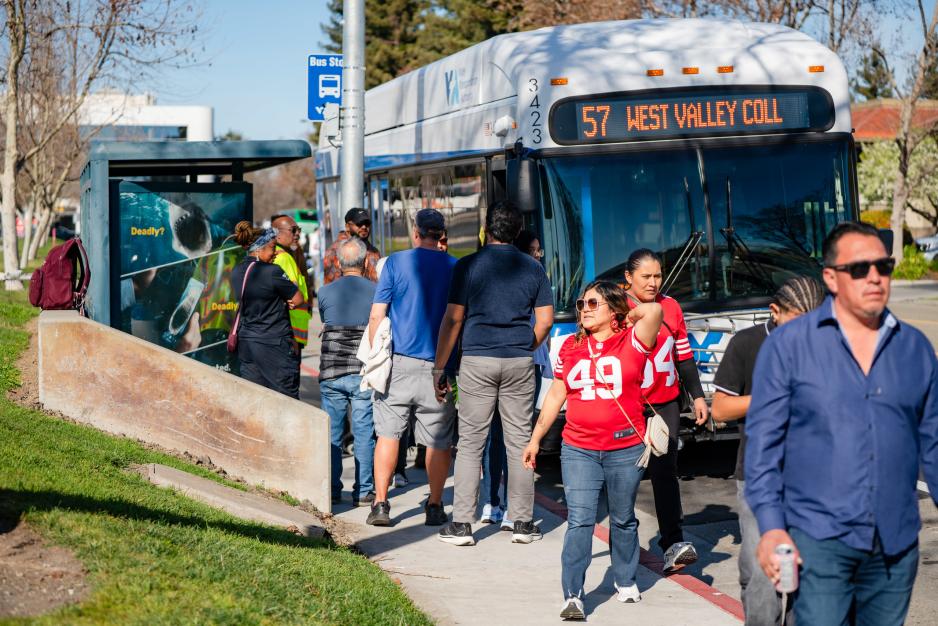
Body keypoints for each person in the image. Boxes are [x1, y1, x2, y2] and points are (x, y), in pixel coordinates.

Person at [746, 221, 938, 626]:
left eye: (882, 267)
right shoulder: (789, 345)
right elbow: (764, 447)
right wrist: (771, 527)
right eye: (859, 268)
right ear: (831, 278)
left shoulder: (915, 349)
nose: (874, 277)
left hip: (896, 543)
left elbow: (933, 443)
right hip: (818, 539)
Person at [523, 281, 663, 620]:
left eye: (593, 303)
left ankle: (626, 579)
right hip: (578, 448)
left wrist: (624, 316)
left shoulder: (633, 339)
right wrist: (536, 438)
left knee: (623, 518)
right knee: (580, 521)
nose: (584, 308)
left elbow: (655, 309)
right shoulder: (570, 346)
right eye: (581, 303)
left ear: (613, 310)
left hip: (626, 447)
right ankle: (573, 593)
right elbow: (556, 395)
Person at [434, 201, 554, 546]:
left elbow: (454, 318)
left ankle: (462, 526)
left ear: (486, 230)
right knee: (519, 441)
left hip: (476, 360)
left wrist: (441, 366)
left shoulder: (468, 265)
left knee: (471, 443)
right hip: (518, 360)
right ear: (518, 233)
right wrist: (524, 345)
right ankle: (522, 524)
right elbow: (544, 320)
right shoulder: (533, 268)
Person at [711, 276, 824, 625]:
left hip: (817, 480)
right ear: (775, 312)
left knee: (810, 575)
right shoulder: (747, 343)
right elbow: (720, 409)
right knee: (762, 574)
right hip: (760, 477)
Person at [365, 209, 457, 527]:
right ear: (441, 235)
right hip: (439, 366)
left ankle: (380, 504)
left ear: (415, 232)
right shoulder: (455, 266)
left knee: (388, 435)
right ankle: (434, 505)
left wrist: (375, 356)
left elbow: (377, 315)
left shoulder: (394, 263)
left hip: (399, 365)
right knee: (437, 440)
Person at [623, 248, 707, 572]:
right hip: (629, 405)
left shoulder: (671, 307)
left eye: (658, 275)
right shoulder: (616, 307)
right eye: (646, 276)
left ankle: (672, 543)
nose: (653, 282)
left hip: (665, 403)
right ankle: (624, 545)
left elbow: (683, 356)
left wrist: (697, 396)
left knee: (665, 472)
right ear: (628, 277)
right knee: (624, 477)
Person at [318, 237, 377, 507]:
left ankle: (331, 489)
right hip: (363, 372)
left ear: (339, 264)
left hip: (331, 372)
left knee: (332, 433)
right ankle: (364, 491)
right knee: (364, 431)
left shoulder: (325, 292)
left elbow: (326, 320)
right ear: (365, 262)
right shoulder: (376, 291)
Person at [230, 222, 305, 398]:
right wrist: (287, 298)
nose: (275, 253)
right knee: (286, 400)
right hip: (274, 344)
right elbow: (298, 299)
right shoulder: (272, 271)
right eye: (272, 247)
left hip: (247, 343)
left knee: (254, 398)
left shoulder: (236, 271)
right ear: (258, 249)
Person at [271, 213, 312, 348]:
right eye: (293, 230)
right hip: (291, 333)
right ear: (277, 234)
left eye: (298, 230)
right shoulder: (284, 258)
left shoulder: (282, 253)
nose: (297, 234)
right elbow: (293, 297)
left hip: (287, 331)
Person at [322, 208, 381, 284]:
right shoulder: (334, 252)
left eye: (367, 223)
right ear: (347, 227)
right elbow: (332, 289)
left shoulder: (374, 252)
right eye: (359, 223)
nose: (364, 227)